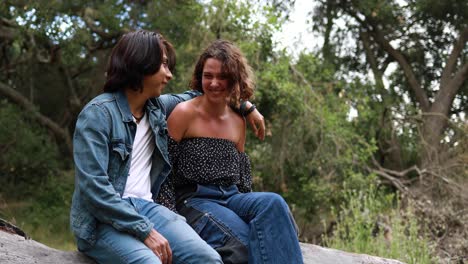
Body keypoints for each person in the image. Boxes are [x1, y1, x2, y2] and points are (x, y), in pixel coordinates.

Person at [70, 30, 265, 264]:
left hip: (148, 209)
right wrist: (145, 231)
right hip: (102, 220)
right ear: (141, 64)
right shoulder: (98, 115)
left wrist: (247, 107)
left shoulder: (156, 108)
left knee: (209, 259)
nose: (169, 74)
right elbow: (94, 189)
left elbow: (209, 93)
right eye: (163, 64)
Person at [158, 40, 304, 264]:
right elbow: (163, 172)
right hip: (195, 200)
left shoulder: (238, 120)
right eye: (208, 76)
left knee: (274, 203)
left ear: (234, 79)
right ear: (200, 76)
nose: (214, 83)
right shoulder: (184, 113)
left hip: (232, 196)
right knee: (244, 242)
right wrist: (169, 219)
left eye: (222, 76)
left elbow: (244, 180)